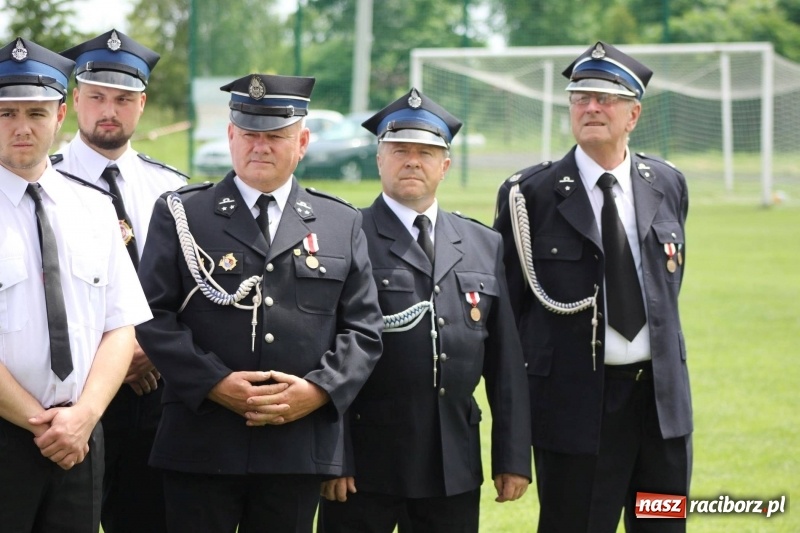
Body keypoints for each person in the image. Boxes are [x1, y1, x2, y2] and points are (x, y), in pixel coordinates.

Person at [135, 72, 384, 533]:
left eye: (276, 136)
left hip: (296, 445)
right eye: (249, 134)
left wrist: (319, 392)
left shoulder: (339, 222)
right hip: (201, 439)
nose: (260, 147)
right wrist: (215, 383)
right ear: (231, 136)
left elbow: (364, 331)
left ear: (303, 141)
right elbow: (152, 317)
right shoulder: (183, 213)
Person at [494, 42, 692, 532]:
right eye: (580, 97)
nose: (591, 107)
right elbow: (509, 319)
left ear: (634, 113)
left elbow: (666, 291)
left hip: (661, 413)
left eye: (606, 97)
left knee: (662, 525)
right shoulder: (529, 195)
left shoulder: (666, 183)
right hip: (575, 409)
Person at [318, 88, 532, 533]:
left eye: (426, 151)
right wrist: (334, 455)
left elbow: (506, 362)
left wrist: (512, 456)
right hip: (365, 464)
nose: (412, 160)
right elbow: (325, 353)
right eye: (399, 150)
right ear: (379, 159)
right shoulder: (346, 234)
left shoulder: (482, 243)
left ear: (445, 165)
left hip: (451, 461)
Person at [0, 37, 152, 532]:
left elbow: (119, 325)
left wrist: (84, 416)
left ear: (60, 114)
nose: (22, 128)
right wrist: (41, 424)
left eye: (37, 114)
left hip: (82, 437)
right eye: (6, 114)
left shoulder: (93, 209)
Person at [51, 28, 187, 533]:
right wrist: (112, 361)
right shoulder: (45, 183)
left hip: (158, 389)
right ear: (74, 100)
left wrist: (147, 348)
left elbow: (188, 288)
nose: (110, 110)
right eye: (98, 97)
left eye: (124, 99)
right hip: (73, 393)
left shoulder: (172, 188)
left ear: (142, 103)